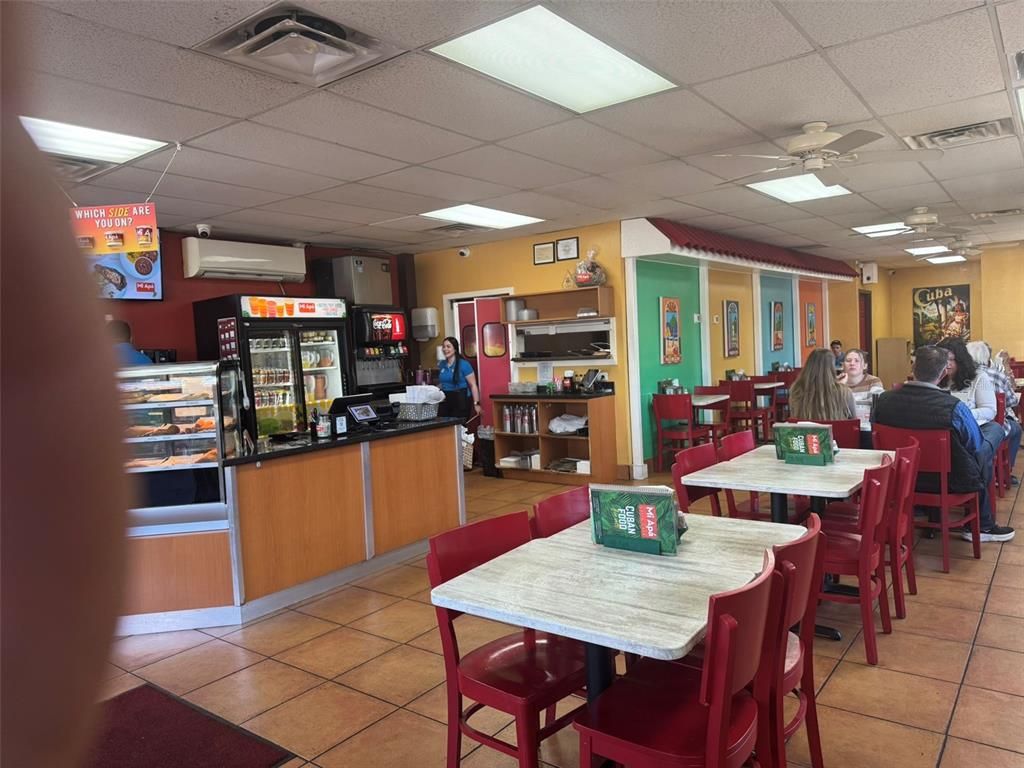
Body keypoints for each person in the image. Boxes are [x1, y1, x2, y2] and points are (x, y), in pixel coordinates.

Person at [873, 345, 1014, 542]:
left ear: (913, 369)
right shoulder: (954, 408)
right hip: (949, 480)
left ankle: (938, 519)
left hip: (900, 479)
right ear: (942, 374)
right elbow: (974, 446)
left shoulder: (883, 401)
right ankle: (984, 525)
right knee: (985, 447)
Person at [935, 338, 1002, 460]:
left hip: (973, 426)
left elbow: (990, 410)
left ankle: (977, 476)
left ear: (961, 360)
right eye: (943, 360)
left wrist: (963, 414)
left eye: (951, 360)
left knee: (982, 445)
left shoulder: (979, 377)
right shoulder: (934, 377)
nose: (947, 364)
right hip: (942, 429)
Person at [968, 340, 1021, 485]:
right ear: (987, 357)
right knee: (1016, 429)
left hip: (968, 424)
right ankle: (1004, 473)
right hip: (993, 425)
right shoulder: (997, 375)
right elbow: (1012, 401)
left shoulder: (962, 376)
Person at [789, 348, 857, 421]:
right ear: (831, 368)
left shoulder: (796, 389)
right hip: (837, 432)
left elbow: (794, 415)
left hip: (805, 432)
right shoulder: (845, 392)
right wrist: (840, 387)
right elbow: (853, 420)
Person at [437, 336, 481, 420]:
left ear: (455, 349)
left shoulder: (464, 364)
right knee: (445, 426)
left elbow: (473, 385)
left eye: (448, 346)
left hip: (461, 398)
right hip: (445, 399)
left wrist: (476, 404)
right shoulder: (442, 364)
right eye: (444, 347)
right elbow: (443, 383)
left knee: (459, 427)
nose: (445, 349)